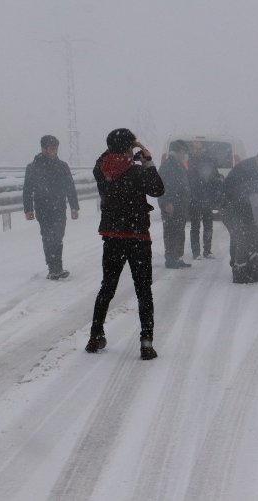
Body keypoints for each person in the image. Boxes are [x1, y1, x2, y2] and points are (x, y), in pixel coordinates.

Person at [87, 128, 164, 360]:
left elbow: (104, 158)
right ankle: (146, 342)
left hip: (111, 236)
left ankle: (95, 335)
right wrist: (147, 160)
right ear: (130, 147)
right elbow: (159, 190)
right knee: (143, 291)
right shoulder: (137, 172)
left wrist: (120, 149)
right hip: (137, 237)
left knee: (107, 287)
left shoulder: (101, 170)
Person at [22, 135, 80, 280]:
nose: (54, 151)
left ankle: (57, 267)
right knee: (48, 237)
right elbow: (27, 190)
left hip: (59, 207)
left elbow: (70, 187)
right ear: (43, 149)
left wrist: (74, 206)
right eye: (51, 148)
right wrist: (28, 209)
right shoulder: (33, 167)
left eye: (55, 148)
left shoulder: (62, 166)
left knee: (58, 236)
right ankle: (54, 268)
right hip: (42, 208)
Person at [221, 148, 258, 283]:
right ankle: (240, 272)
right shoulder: (257, 187)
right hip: (230, 209)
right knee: (241, 237)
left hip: (244, 208)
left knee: (257, 236)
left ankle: (257, 270)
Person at [158, 140, 191, 268]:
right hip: (171, 205)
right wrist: (166, 202)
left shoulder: (179, 165)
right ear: (178, 151)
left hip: (180, 205)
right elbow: (161, 186)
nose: (185, 155)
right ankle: (171, 259)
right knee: (171, 232)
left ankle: (177, 257)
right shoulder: (168, 165)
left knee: (179, 231)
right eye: (184, 152)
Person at [188, 140, 219, 259]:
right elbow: (187, 181)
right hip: (194, 199)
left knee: (208, 226)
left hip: (207, 199)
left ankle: (207, 250)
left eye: (199, 148)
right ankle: (196, 252)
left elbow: (215, 178)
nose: (197, 151)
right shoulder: (188, 162)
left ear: (203, 149)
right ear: (191, 150)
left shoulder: (209, 161)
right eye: (195, 148)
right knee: (195, 226)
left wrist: (214, 194)